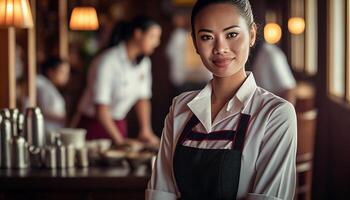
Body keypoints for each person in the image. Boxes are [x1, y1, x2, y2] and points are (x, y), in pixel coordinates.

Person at [146, 0, 297, 199]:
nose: (220, 48)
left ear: (252, 35)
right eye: (207, 37)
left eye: (232, 34)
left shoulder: (275, 114)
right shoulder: (180, 107)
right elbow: (161, 192)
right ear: (195, 44)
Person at [76, 16, 161, 146]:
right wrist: (120, 141)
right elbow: (101, 109)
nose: (157, 42)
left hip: (119, 124)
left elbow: (142, 98)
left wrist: (145, 130)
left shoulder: (144, 63)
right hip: (95, 126)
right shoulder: (107, 61)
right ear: (138, 34)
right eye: (153, 37)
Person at [166, 12, 211, 95]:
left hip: (204, 80)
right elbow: (170, 54)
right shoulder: (178, 36)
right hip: (184, 81)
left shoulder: (206, 34)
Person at [36, 57, 70, 133]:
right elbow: (44, 111)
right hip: (47, 131)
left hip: (54, 130)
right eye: (62, 72)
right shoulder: (43, 85)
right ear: (50, 72)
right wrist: (66, 118)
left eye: (67, 73)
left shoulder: (51, 87)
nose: (66, 76)